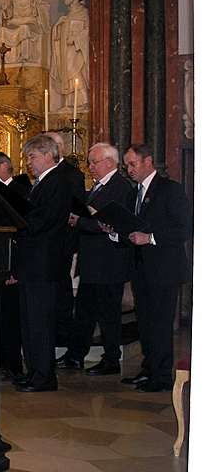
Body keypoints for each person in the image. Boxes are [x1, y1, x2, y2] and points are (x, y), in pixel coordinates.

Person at [118, 144, 191, 392]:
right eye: (126, 165)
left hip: (164, 269)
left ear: (148, 161)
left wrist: (150, 238)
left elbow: (184, 228)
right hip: (141, 269)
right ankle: (148, 369)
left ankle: (161, 376)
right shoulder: (132, 194)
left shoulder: (170, 190)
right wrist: (116, 232)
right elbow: (131, 227)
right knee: (146, 323)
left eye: (132, 164)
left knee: (160, 324)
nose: (129, 170)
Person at [56, 143, 133, 375]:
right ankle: (75, 355)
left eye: (94, 162)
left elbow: (110, 223)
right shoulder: (98, 187)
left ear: (110, 162)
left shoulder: (121, 187)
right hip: (91, 261)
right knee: (84, 312)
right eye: (89, 162)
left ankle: (111, 359)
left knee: (108, 313)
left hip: (108, 262)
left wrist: (77, 221)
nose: (90, 167)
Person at [12, 135, 71, 392]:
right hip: (32, 262)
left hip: (43, 263)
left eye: (32, 157)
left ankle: (44, 375)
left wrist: (16, 220)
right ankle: (34, 370)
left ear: (48, 155)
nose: (28, 162)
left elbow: (45, 220)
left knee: (40, 321)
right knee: (29, 320)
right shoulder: (42, 182)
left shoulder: (58, 181)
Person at [0, 151, 26, 381]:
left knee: (11, 318)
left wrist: (14, 269)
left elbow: (21, 234)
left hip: (12, 264)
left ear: (4, 166)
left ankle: (13, 365)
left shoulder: (19, 191)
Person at [44, 132, 85, 349]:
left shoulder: (71, 174)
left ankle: (63, 335)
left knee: (62, 290)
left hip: (63, 241)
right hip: (49, 242)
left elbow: (75, 210)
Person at [50, 0, 89, 111]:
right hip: (66, 50)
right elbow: (58, 33)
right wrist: (58, 28)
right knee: (66, 74)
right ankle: (68, 103)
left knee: (74, 71)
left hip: (77, 49)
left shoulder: (84, 13)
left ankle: (85, 100)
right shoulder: (67, 16)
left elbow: (88, 31)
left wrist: (76, 39)